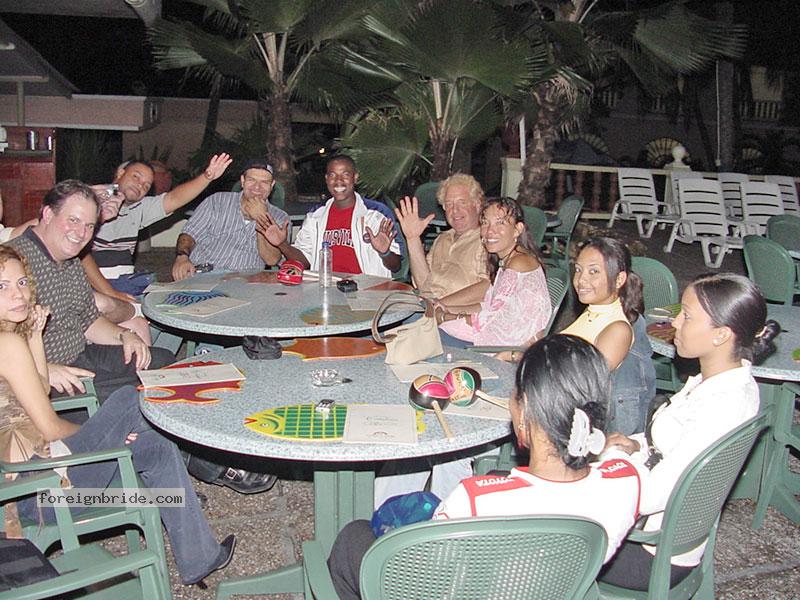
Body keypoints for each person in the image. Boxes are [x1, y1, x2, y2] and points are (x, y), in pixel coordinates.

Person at [328, 335, 644, 600]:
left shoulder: (475, 499)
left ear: (524, 413)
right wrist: (609, 448)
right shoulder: (627, 481)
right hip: (555, 586)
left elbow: (434, 576)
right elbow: (613, 464)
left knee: (353, 537)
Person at [0, 245, 235, 586]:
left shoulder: (11, 339)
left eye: (22, 282)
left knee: (155, 444)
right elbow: (49, 427)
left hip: (35, 489)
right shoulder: (6, 344)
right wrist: (105, 436)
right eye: (2, 286)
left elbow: (39, 389)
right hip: (44, 493)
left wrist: (35, 334)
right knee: (128, 400)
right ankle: (216, 439)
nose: (18, 294)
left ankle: (199, 556)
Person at [599, 273, 779, 590]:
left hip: (650, 553)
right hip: (659, 534)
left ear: (721, 335)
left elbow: (652, 495)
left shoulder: (721, 405)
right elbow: (677, 447)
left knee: (526, 532)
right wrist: (637, 445)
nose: (675, 323)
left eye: (687, 315)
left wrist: (611, 458)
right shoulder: (728, 384)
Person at [5, 180, 174, 402]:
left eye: (90, 225)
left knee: (164, 363)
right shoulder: (13, 262)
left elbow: (89, 321)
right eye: (73, 220)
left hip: (81, 357)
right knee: (141, 395)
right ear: (47, 214)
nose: (81, 233)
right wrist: (42, 369)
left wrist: (124, 335)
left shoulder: (71, 259)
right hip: (44, 378)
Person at [83, 154, 233, 295]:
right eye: (136, 177)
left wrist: (207, 177)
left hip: (126, 283)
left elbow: (174, 199)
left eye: (146, 185)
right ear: (121, 173)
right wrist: (112, 294)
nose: (140, 185)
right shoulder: (89, 201)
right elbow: (82, 258)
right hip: (94, 286)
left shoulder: (139, 208)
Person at [560, 237, 656, 435]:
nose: (581, 280)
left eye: (593, 271)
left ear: (619, 280)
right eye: (578, 270)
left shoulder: (617, 329)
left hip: (577, 423)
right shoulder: (594, 310)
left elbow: (582, 385)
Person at [434, 197, 551, 347]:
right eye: (485, 223)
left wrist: (445, 317)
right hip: (499, 336)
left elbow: (489, 319)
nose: (490, 231)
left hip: (504, 346)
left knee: (426, 336)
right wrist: (446, 309)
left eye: (500, 223)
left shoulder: (518, 264)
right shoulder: (509, 261)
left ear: (517, 229)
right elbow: (488, 306)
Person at [260, 155, 401, 277]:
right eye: (333, 175)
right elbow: (304, 261)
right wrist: (282, 244)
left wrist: (385, 252)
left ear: (355, 177)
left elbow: (396, 266)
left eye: (345, 175)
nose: (338, 181)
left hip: (366, 290)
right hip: (325, 287)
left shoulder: (375, 213)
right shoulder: (315, 216)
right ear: (327, 179)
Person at [172, 158, 289, 281]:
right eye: (251, 180)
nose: (257, 187)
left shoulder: (280, 218)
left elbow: (272, 260)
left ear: (272, 185)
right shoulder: (216, 201)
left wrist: (261, 218)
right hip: (203, 273)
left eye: (264, 182)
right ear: (242, 181)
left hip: (246, 281)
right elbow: (189, 234)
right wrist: (182, 257)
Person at [394, 174, 488, 303]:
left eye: (462, 202)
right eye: (449, 204)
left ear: (477, 205)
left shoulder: (487, 240)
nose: (455, 210)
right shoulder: (441, 240)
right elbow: (423, 286)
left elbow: (487, 289)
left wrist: (441, 305)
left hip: (460, 312)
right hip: (428, 308)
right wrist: (413, 239)